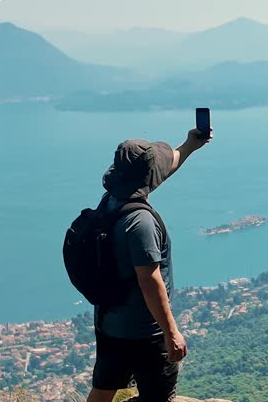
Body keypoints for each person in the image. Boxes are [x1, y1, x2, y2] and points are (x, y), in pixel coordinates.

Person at [87, 127, 211, 402]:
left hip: (110, 321)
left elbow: (157, 173)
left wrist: (189, 146)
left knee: (104, 389)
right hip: (144, 331)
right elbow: (149, 279)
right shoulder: (140, 222)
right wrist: (171, 333)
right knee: (158, 397)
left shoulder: (111, 203)